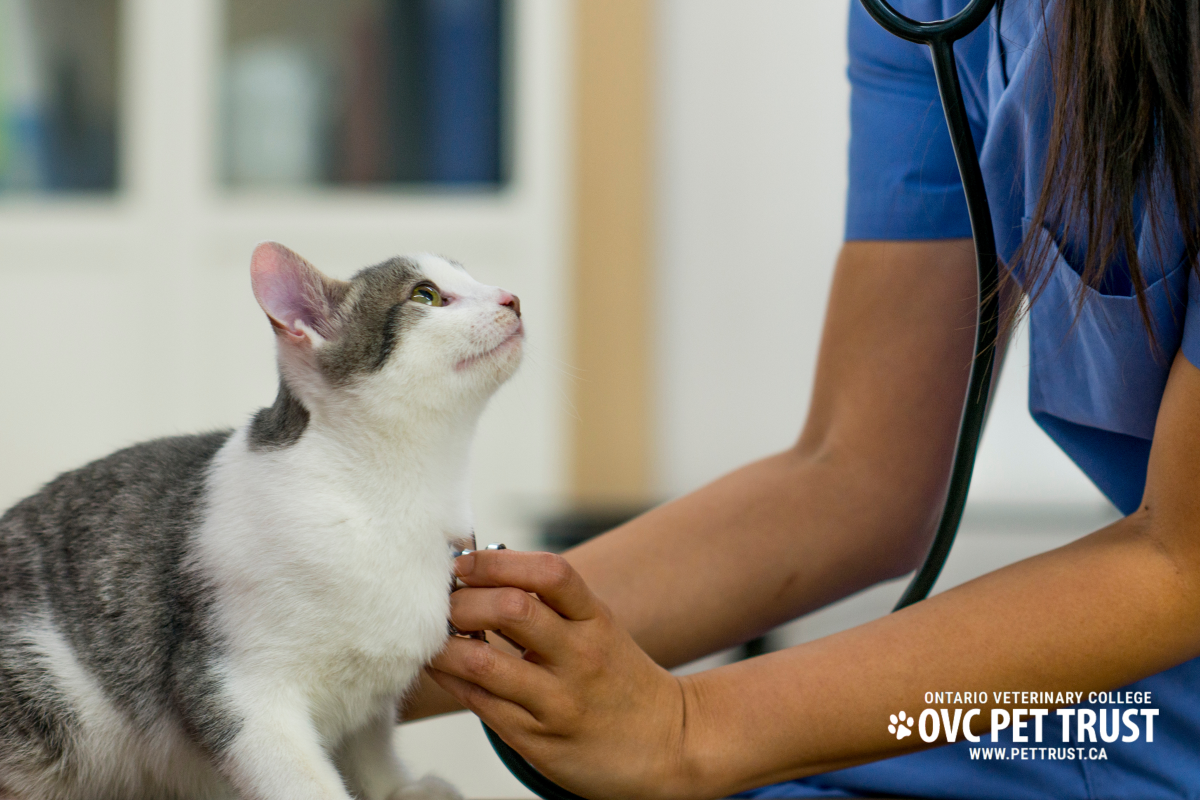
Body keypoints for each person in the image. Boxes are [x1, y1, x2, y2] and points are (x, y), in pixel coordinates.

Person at [407, 1, 1200, 797]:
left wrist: (685, 728)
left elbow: (1187, 558)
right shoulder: (926, 14)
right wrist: (358, 658)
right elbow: (855, 479)